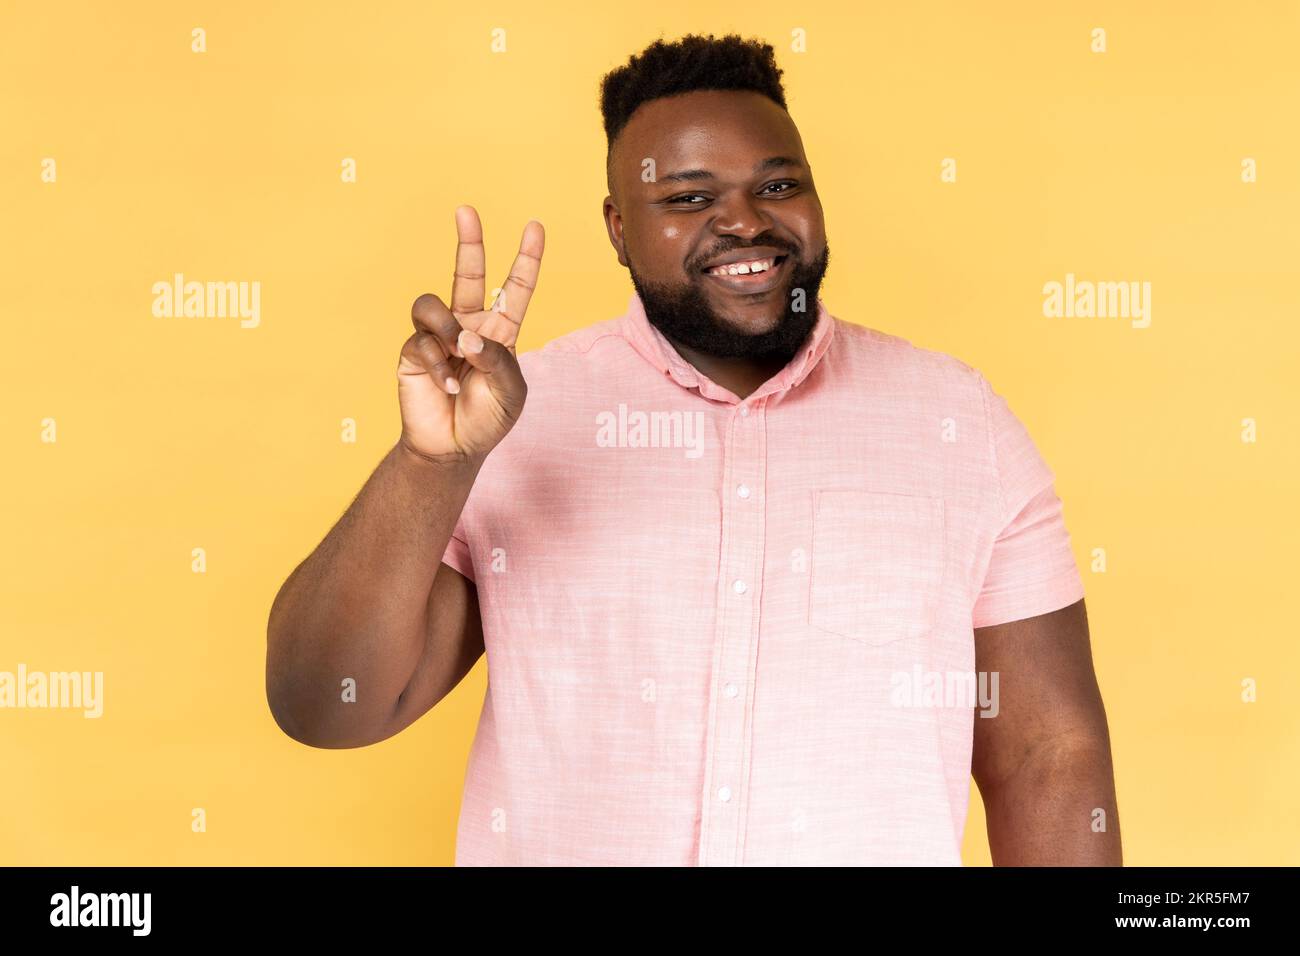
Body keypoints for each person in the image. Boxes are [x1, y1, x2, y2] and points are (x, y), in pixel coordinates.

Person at [266, 33, 1120, 866]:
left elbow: (1047, 757)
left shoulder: (960, 424)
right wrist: (433, 464)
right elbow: (325, 707)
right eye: (686, 197)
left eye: (778, 184)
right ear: (617, 226)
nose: (743, 222)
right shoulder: (518, 419)